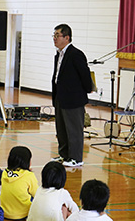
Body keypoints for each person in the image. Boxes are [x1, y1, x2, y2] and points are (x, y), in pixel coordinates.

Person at [51, 24, 92, 167]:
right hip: (60, 97)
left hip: (73, 99)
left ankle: (76, 158)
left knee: (74, 130)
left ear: (66, 37)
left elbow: (85, 75)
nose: (54, 38)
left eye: (57, 35)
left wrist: (87, 90)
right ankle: (64, 155)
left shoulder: (76, 54)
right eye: (54, 35)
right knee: (61, 129)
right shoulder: (59, 54)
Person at [0, 146, 38, 220]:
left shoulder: (4, 173)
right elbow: (37, 194)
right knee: (34, 196)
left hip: (4, 213)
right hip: (22, 214)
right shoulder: (28, 175)